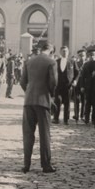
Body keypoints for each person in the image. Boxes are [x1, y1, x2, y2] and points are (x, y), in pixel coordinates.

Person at [20, 41, 58, 174]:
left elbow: (22, 81)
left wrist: (30, 92)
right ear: (52, 51)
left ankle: (26, 165)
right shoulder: (51, 62)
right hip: (43, 102)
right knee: (44, 134)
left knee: (28, 134)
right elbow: (53, 82)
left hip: (28, 101)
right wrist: (50, 96)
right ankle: (46, 165)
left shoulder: (29, 61)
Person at [54, 45, 78, 124]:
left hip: (68, 86)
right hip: (58, 86)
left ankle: (66, 119)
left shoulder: (72, 62)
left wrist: (75, 81)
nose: (64, 53)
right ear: (60, 52)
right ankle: (56, 118)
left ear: (68, 52)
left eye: (66, 51)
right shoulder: (56, 61)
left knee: (67, 103)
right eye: (63, 51)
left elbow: (77, 73)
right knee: (58, 101)